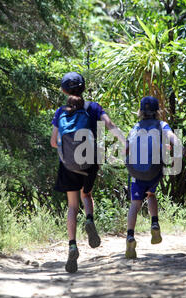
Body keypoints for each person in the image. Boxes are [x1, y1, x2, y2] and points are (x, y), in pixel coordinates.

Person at [50, 72, 125, 273]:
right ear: (83, 87)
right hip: (89, 163)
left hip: (67, 165)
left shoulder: (60, 112)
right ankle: (90, 219)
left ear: (64, 90)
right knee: (87, 194)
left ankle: (72, 245)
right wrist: (125, 143)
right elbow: (110, 125)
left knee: (72, 206)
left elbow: (52, 141)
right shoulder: (93, 108)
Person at [125, 96, 181, 259]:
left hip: (136, 172)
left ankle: (130, 236)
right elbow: (172, 138)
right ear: (158, 111)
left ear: (140, 112)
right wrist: (178, 148)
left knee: (134, 204)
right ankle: (154, 222)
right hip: (153, 172)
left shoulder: (135, 128)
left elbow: (127, 149)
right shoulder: (162, 125)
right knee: (151, 194)